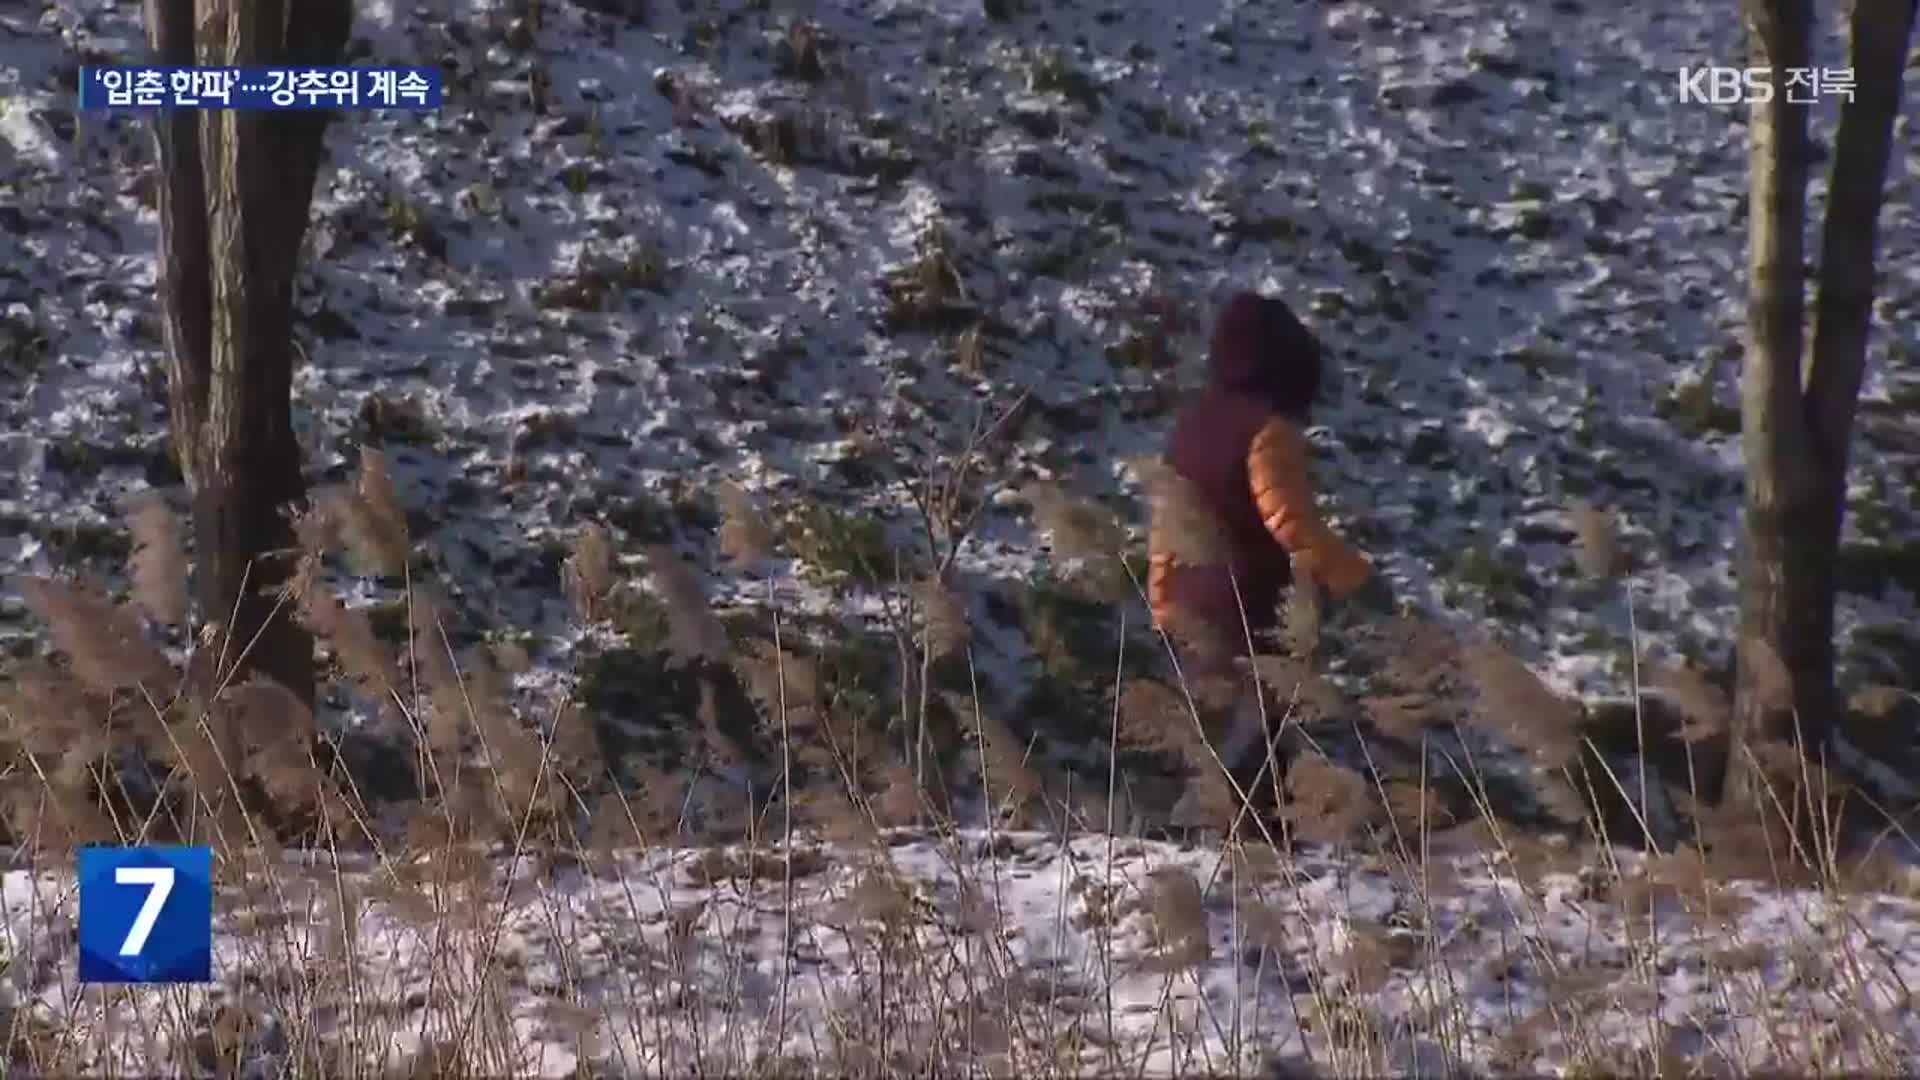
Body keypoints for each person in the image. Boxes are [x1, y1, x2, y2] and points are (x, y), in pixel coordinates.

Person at [1147, 289, 1381, 826]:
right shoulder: (1267, 431)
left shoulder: (1188, 428)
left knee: (1221, 749)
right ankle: (1233, 848)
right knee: (1250, 750)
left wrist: (1162, 603)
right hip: (1245, 613)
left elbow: (1165, 526)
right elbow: (1293, 524)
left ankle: (1228, 847)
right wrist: (1358, 582)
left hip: (1186, 617)